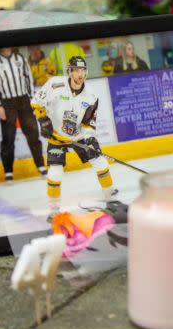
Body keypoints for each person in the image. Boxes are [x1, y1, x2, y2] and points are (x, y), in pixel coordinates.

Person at [31, 55, 117, 217]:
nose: (80, 74)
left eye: (83, 70)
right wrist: (43, 120)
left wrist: (90, 139)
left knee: (99, 161)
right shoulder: (54, 83)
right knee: (55, 172)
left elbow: (88, 123)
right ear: (69, 72)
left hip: (78, 136)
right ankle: (54, 210)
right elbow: (36, 102)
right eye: (76, 70)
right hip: (56, 136)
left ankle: (110, 196)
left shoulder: (91, 95)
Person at [0, 48, 47, 181]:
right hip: (6, 103)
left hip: (24, 100)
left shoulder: (20, 58)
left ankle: (41, 165)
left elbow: (28, 78)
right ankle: (8, 171)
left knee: (33, 133)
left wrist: (32, 99)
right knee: (8, 137)